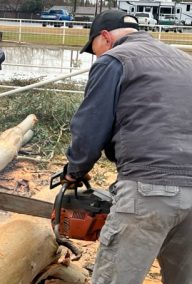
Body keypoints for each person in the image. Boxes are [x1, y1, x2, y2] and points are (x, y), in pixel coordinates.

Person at [60, 10, 192, 283]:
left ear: (105, 37)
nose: (96, 56)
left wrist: (75, 170)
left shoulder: (114, 61)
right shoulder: (184, 61)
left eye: (94, 49)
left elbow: (91, 125)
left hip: (150, 187)